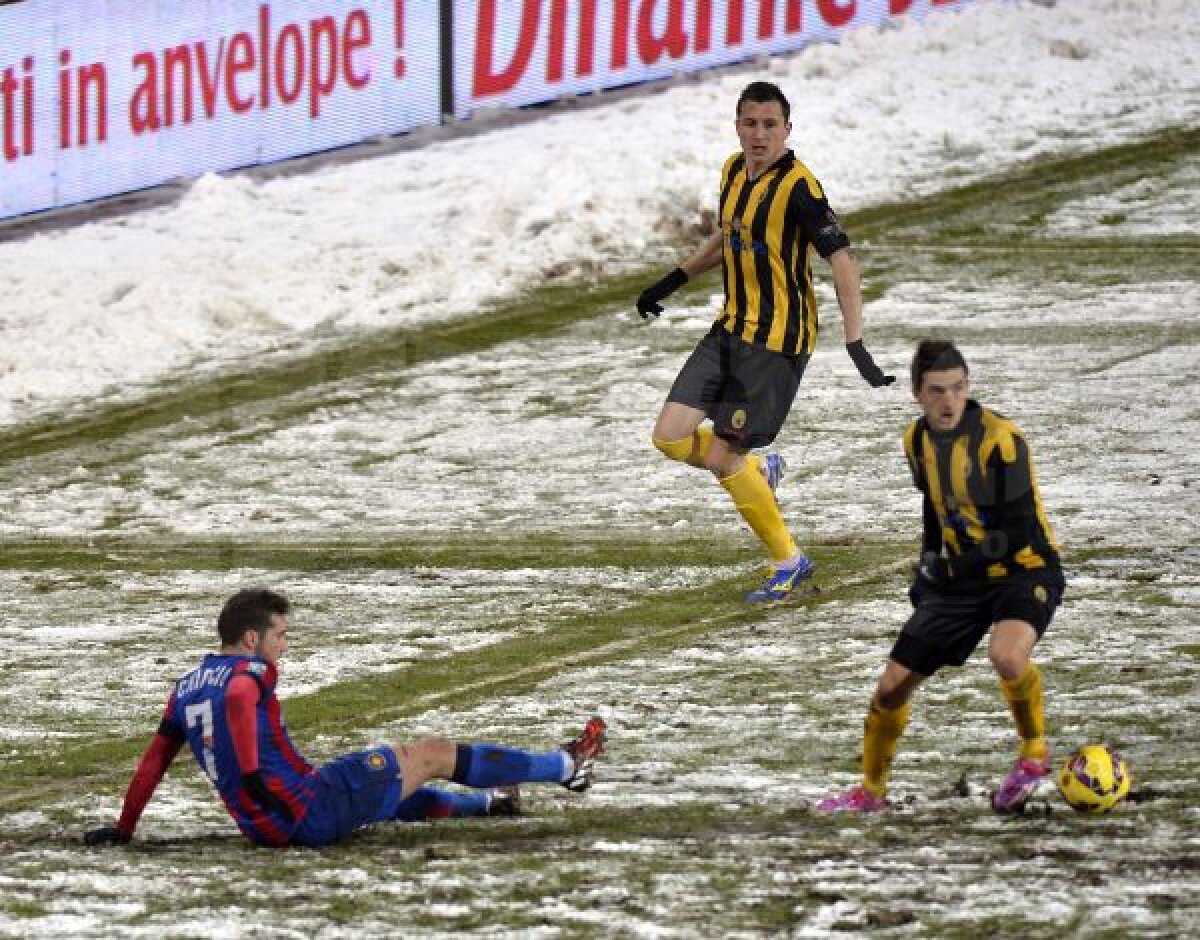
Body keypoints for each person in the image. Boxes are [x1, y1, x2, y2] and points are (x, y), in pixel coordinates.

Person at [84, 589, 606, 847]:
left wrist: (123, 829)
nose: (284, 646)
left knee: (385, 787)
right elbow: (242, 701)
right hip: (302, 808)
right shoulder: (250, 672)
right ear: (251, 639)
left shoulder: (185, 688)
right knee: (426, 754)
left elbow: (151, 765)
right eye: (281, 635)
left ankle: (489, 805)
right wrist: (253, 777)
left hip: (264, 824)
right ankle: (565, 767)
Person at [636, 80, 893, 605]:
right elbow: (728, 237)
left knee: (723, 457)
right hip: (730, 328)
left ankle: (789, 561)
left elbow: (843, 261)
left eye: (769, 125)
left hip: (776, 344)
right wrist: (674, 279)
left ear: (787, 130)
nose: (759, 134)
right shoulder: (733, 170)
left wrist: (855, 341)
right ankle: (758, 470)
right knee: (669, 436)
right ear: (737, 126)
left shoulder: (801, 189)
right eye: (750, 123)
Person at [818, 340, 1066, 814]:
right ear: (917, 394)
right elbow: (936, 510)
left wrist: (951, 566)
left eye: (958, 388)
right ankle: (871, 793)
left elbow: (1013, 532)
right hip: (958, 583)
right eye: (937, 391)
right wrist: (928, 565)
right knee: (891, 686)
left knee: (1007, 655)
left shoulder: (1002, 440)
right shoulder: (916, 441)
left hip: (1024, 570)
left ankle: (1034, 755)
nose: (949, 401)